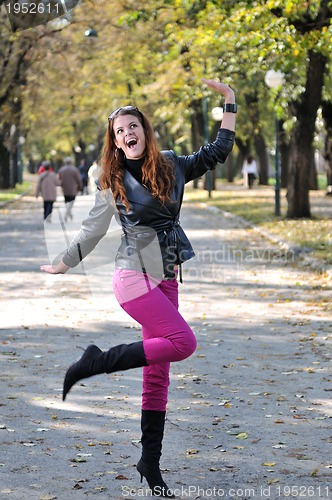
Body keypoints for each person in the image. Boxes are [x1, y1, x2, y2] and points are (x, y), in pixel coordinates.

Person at [40, 78, 236, 497]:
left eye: (133, 126)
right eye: (119, 131)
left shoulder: (171, 164)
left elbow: (216, 152)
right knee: (184, 342)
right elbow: (92, 231)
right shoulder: (111, 181)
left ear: (145, 130)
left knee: (158, 376)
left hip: (166, 275)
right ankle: (98, 361)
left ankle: (150, 464)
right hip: (132, 276)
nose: (128, 134)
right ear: (114, 141)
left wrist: (230, 103)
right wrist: (63, 263)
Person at [58, 156, 83, 222]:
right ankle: (68, 213)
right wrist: (80, 187)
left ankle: (68, 213)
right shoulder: (75, 170)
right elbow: (78, 180)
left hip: (64, 189)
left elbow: (58, 180)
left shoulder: (61, 170)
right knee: (71, 202)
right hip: (73, 189)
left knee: (66, 202)